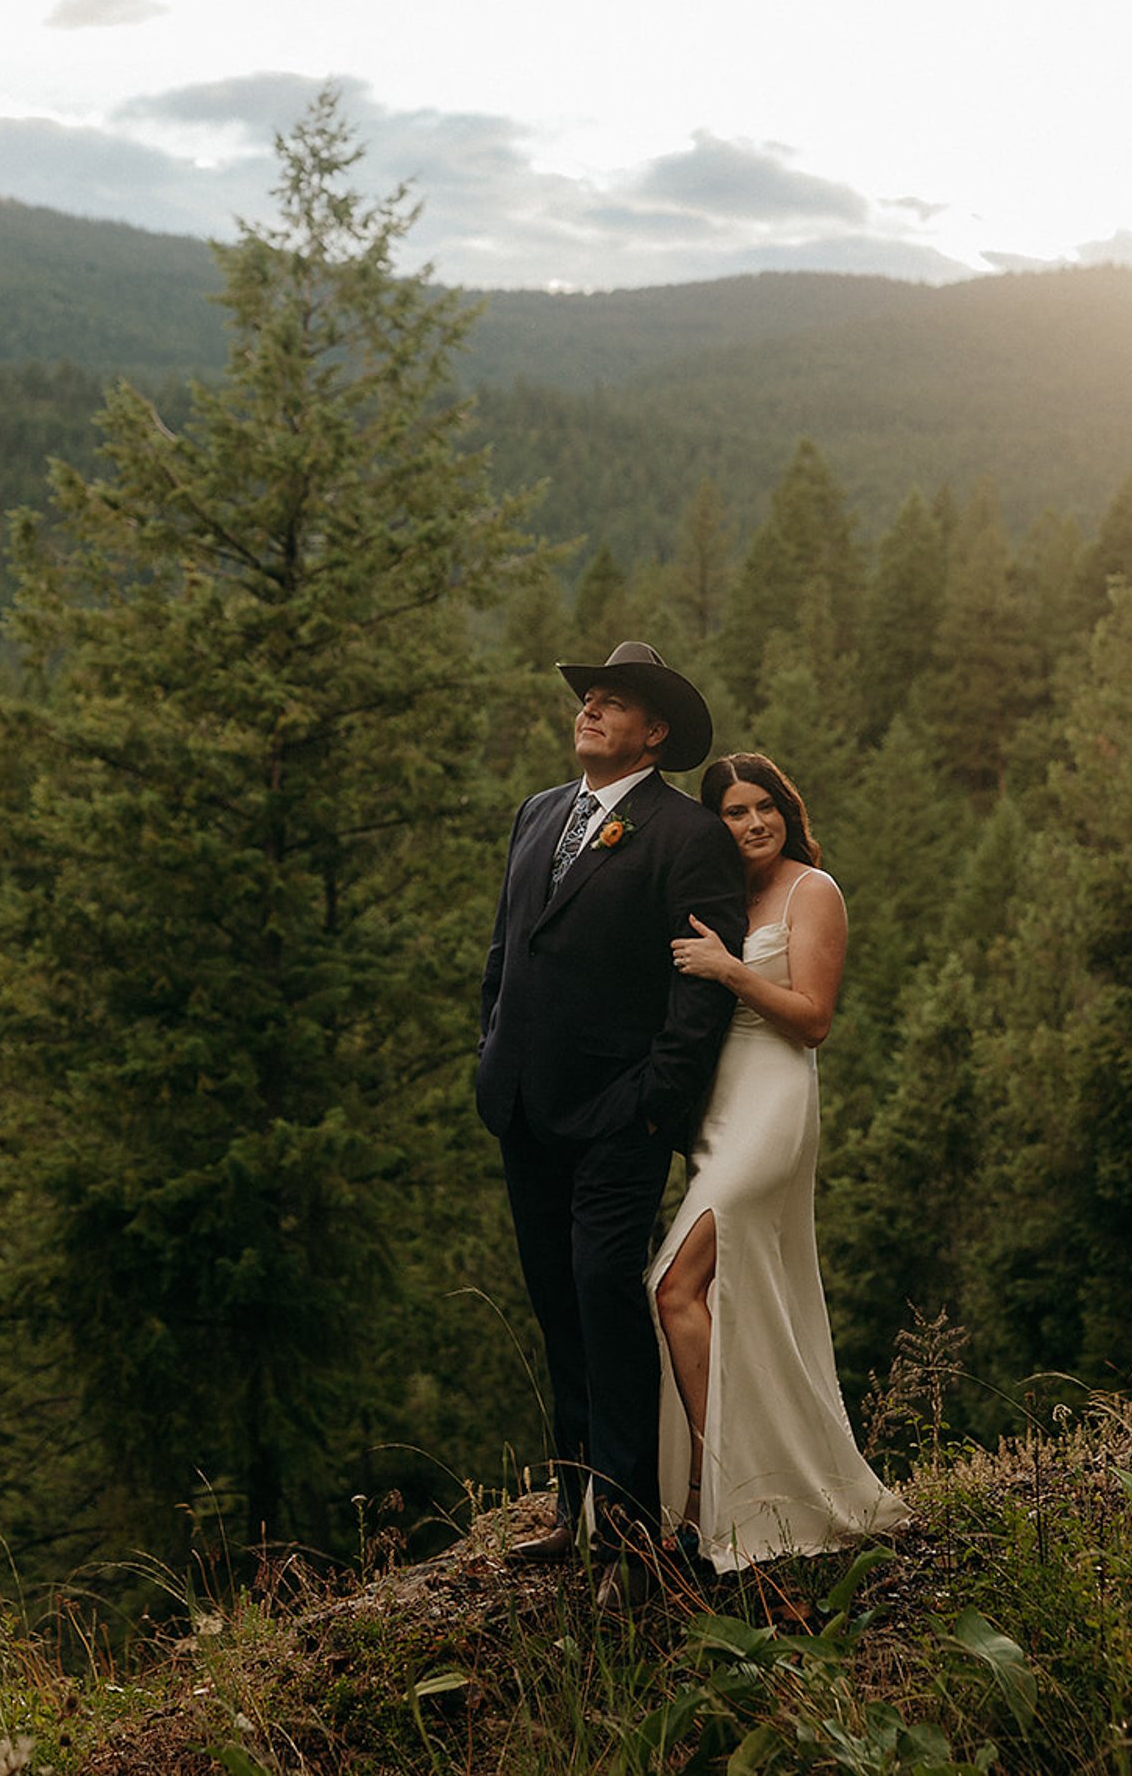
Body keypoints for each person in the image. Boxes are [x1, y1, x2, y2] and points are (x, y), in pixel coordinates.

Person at [476, 641, 748, 1597]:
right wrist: (491, 1053)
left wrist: (649, 1109)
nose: (588, 710)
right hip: (523, 1109)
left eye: (611, 702)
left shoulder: (684, 835)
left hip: (615, 1122)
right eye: (587, 698)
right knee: (558, 1305)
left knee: (606, 1296)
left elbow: (699, 997)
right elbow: (507, 952)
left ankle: (631, 1534)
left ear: (655, 732)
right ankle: (571, 1509)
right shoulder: (538, 813)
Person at [649, 750, 911, 1571]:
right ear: (713, 821)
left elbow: (813, 1020)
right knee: (723, 1293)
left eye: (764, 807)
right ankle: (751, 1484)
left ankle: (706, 1493)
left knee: (671, 1286)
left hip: (773, 1100)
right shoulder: (722, 893)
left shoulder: (810, 891)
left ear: (785, 811)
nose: (753, 823)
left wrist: (728, 969)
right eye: (734, 811)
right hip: (715, 1108)